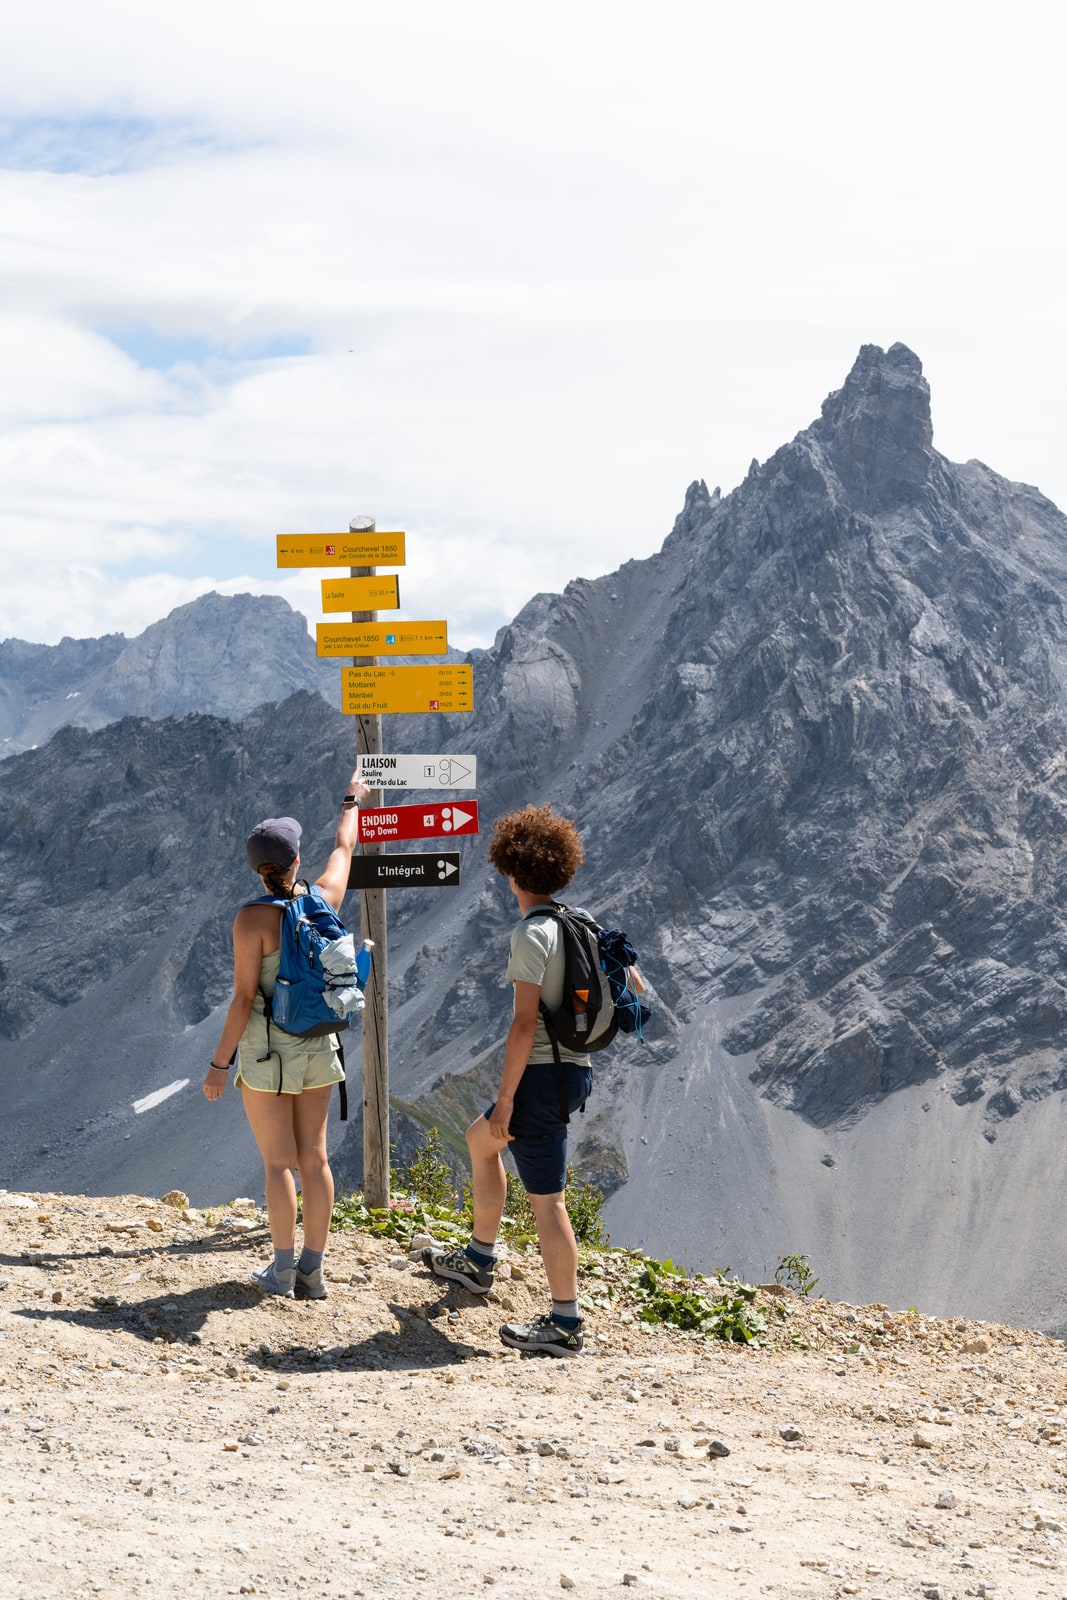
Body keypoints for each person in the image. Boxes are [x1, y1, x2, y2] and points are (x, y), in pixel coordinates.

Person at [424, 802, 639, 1357]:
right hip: (576, 1069)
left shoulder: (532, 935)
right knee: (480, 1143)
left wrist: (505, 1099)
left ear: (513, 871)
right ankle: (477, 1261)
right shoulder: (581, 920)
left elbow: (523, 1024)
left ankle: (565, 1324)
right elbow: (631, 980)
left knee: (548, 1202)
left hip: (540, 1078)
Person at [203, 770, 370, 1299]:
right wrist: (352, 798)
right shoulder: (323, 899)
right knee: (315, 1158)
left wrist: (218, 1064)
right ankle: (313, 1271)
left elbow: (244, 998)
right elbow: (346, 846)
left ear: (259, 872)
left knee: (279, 1162)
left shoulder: (250, 919)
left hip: (266, 1048)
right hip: (319, 1041)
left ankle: (278, 1272)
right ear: (297, 861)